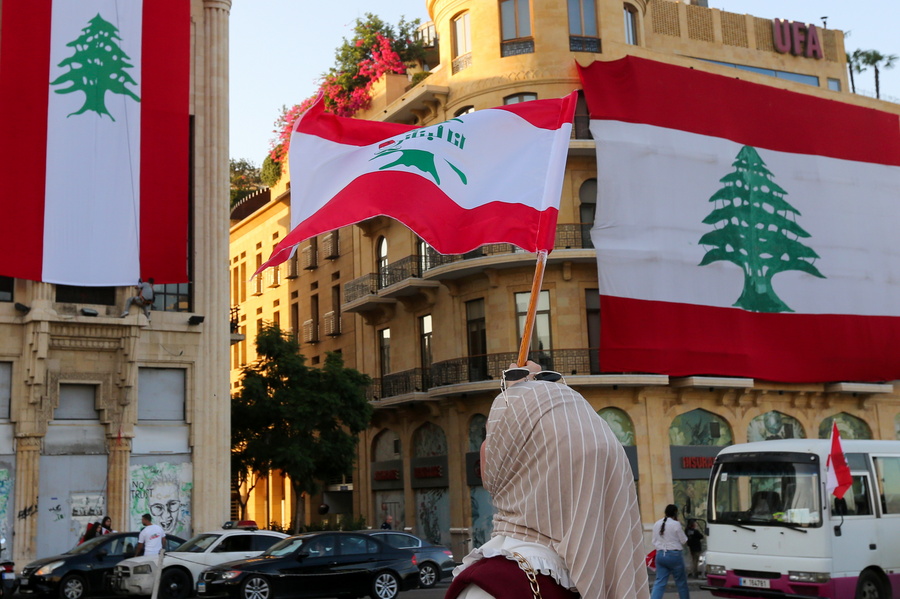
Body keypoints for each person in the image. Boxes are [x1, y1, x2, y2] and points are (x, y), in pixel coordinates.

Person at [446, 364, 649, 599]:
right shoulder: (609, 578)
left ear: (522, 465)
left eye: (491, 435)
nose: (486, 447)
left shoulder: (489, 588)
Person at [650, 505, 690, 599]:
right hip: (674, 555)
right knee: (681, 583)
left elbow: (654, 541)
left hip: (660, 555)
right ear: (675, 513)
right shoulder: (676, 524)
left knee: (659, 582)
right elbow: (683, 540)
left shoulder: (657, 523)